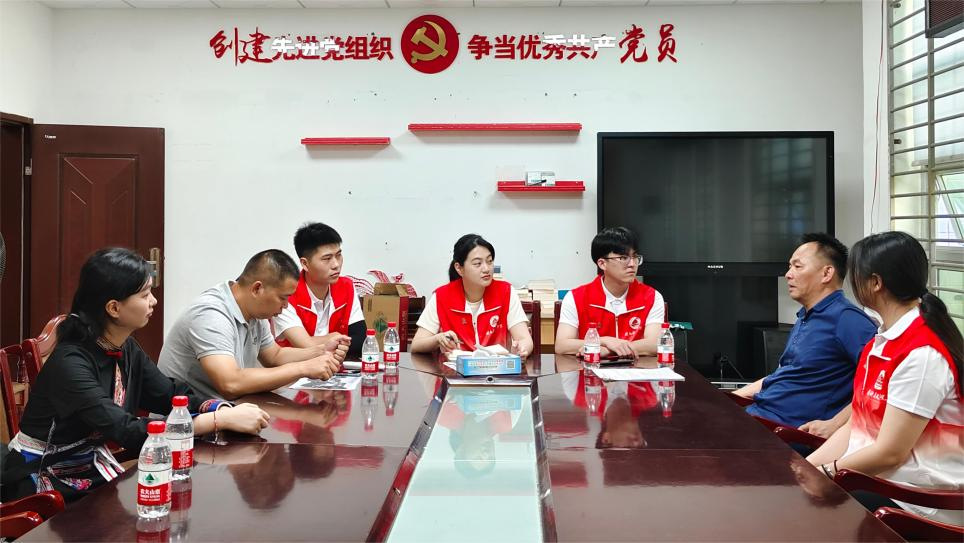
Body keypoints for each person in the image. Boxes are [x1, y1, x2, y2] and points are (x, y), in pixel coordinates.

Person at [1, 248, 269, 502]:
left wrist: (221, 409)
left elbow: (170, 395)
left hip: (90, 465)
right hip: (44, 477)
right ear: (114, 308)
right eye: (145, 295)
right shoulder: (70, 364)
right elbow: (125, 429)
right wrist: (217, 421)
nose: (154, 301)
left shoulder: (125, 347)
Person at [807, 231, 963, 526]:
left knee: (808, 515)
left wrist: (828, 474)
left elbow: (890, 453)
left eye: (855, 275)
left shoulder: (922, 353)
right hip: (878, 481)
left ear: (876, 283)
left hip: (917, 500)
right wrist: (806, 468)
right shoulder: (881, 341)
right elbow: (856, 425)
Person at [733, 233, 877, 431]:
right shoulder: (806, 316)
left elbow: (882, 385)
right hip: (759, 416)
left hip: (786, 432)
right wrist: (728, 399)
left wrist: (835, 424)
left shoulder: (848, 320)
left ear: (827, 273)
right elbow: (784, 375)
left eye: (798, 266)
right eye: (789, 266)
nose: (788, 274)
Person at [158, 250, 341, 400]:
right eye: (283, 298)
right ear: (257, 288)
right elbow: (230, 383)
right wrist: (303, 368)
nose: (286, 306)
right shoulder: (211, 315)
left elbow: (274, 356)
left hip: (223, 411)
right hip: (184, 421)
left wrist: (320, 351)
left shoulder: (254, 312)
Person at [410, 234, 534, 358]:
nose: (486, 269)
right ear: (459, 268)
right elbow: (416, 345)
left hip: (496, 368)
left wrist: (522, 350)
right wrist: (437, 339)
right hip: (456, 369)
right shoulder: (442, 296)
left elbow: (524, 338)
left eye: (489, 261)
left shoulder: (505, 292)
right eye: (477, 263)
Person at [555, 227, 665, 358]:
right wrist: (603, 341)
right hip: (591, 369)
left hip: (637, 369)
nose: (632, 264)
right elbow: (562, 345)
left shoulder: (651, 297)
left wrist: (608, 351)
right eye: (623, 257)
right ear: (602, 264)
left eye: (635, 257)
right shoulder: (576, 298)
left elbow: (655, 344)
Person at [272, 223, 364, 360]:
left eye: (338, 255)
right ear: (305, 264)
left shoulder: (346, 287)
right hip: (295, 369)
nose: (336, 264)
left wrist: (333, 342)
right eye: (327, 258)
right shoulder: (286, 294)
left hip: (334, 368)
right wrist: (334, 338)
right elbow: (304, 345)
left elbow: (361, 339)